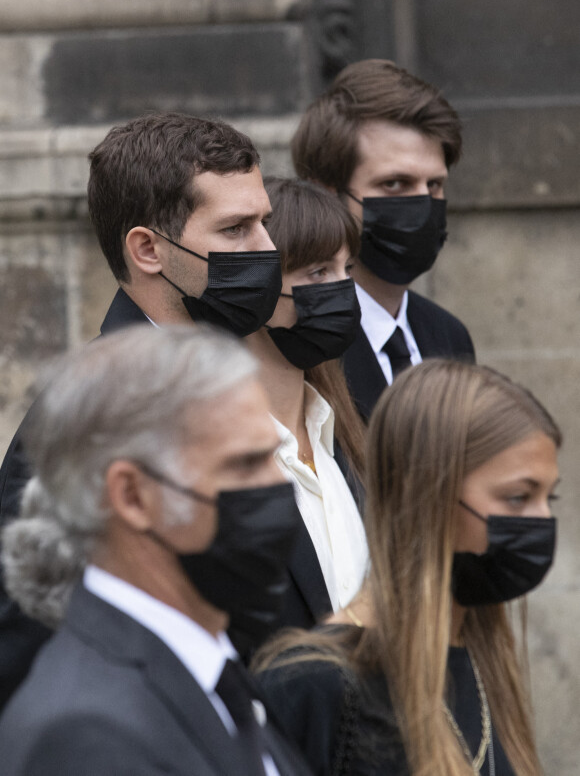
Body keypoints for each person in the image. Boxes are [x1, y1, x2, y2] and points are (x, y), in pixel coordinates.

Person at [0, 111, 282, 709]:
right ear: (149, 249)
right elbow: (24, 648)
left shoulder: (252, 377)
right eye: (236, 229)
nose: (268, 250)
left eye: (265, 223)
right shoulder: (86, 422)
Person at [0, 324, 311, 776]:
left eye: (273, 457)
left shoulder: (212, 670)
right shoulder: (84, 735)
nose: (279, 486)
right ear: (132, 496)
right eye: (244, 464)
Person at [255, 359, 560, 776]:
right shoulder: (315, 684)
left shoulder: (481, 660)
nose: (541, 521)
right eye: (517, 498)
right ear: (427, 493)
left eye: (549, 499)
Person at [292, 59, 475, 420]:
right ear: (326, 195)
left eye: (434, 185)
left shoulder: (449, 336)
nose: (423, 205)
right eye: (395, 184)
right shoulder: (298, 344)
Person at [245, 177, 367, 631]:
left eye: (347, 270)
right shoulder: (216, 461)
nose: (341, 290)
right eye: (318, 273)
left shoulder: (350, 443)